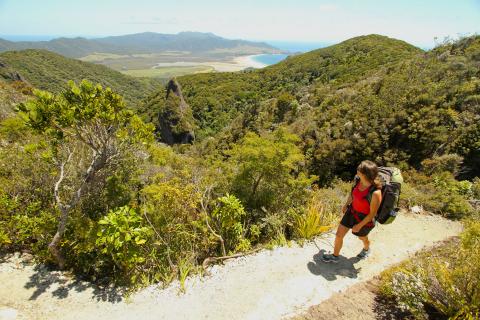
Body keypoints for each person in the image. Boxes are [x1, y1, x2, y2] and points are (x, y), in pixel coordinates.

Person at [322, 160, 382, 262]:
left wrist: (359, 225)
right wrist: (346, 205)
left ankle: (366, 249)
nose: (357, 169)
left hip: (364, 219)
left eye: (359, 169)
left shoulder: (375, 193)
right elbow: (352, 194)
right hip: (352, 212)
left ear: (364, 174)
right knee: (338, 235)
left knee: (362, 238)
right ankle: (335, 256)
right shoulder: (358, 181)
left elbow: (372, 214)